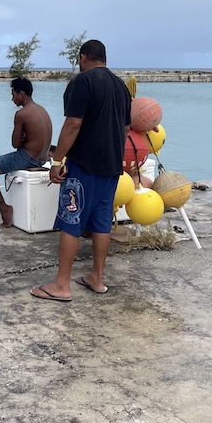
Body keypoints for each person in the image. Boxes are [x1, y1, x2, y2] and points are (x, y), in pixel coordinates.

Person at [30, 39, 131, 301]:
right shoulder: (121, 87)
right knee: (101, 224)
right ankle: (97, 278)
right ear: (104, 58)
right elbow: (126, 129)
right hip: (111, 167)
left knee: (71, 221)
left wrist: (57, 160)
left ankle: (61, 285)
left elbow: (73, 123)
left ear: (84, 57)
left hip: (84, 165)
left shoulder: (82, 82)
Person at [0, 77, 53, 228]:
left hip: (27, 158)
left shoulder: (21, 114)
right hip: (42, 158)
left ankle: (4, 208)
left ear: (22, 93)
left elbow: (15, 143)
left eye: (13, 95)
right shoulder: (42, 110)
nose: (12, 99)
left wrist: (23, 139)